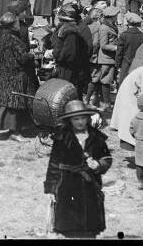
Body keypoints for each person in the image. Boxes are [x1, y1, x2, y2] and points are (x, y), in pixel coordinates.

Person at [43, 100, 111, 238]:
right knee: (69, 225)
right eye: (76, 119)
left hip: (90, 185)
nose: (80, 122)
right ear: (69, 120)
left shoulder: (96, 137)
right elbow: (54, 163)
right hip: (67, 184)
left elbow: (106, 157)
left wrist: (99, 165)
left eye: (83, 118)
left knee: (89, 224)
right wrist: (51, 188)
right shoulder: (62, 137)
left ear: (88, 118)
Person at [0, 12, 35, 142]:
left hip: (5, 74)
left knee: (9, 103)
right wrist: (31, 55)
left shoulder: (3, 35)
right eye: (16, 22)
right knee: (16, 104)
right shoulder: (13, 39)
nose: (18, 24)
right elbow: (22, 58)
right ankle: (15, 132)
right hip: (15, 76)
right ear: (12, 24)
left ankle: (15, 129)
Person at [91, 7, 119, 110]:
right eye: (116, 15)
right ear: (111, 17)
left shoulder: (111, 26)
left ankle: (104, 101)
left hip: (110, 58)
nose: (117, 17)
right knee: (106, 80)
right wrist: (117, 48)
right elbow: (103, 45)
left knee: (107, 80)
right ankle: (106, 103)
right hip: (106, 58)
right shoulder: (104, 28)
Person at [115, 12, 143, 84]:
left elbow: (119, 52)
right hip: (139, 65)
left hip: (126, 63)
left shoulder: (124, 35)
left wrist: (117, 65)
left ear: (127, 22)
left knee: (124, 84)